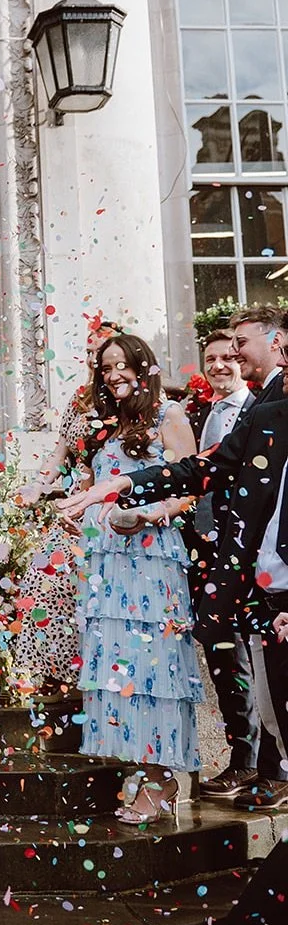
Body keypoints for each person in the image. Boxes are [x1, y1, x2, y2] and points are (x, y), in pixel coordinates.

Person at [59, 369, 288, 812]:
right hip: (271, 603)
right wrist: (122, 485)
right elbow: (202, 469)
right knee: (278, 717)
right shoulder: (270, 418)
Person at [60, 333, 204, 823]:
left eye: (123, 365)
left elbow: (191, 486)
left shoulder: (172, 416)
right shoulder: (110, 426)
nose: (114, 374)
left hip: (152, 558)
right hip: (108, 562)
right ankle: (141, 765)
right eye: (106, 367)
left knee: (154, 663)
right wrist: (76, 508)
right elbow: (98, 489)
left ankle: (164, 776)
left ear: (145, 368)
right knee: (119, 663)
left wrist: (149, 515)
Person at [185, 330, 281, 801]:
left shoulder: (262, 409)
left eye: (229, 356)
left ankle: (268, 767)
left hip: (254, 557)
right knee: (224, 657)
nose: (221, 365)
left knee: (259, 663)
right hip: (209, 554)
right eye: (211, 359)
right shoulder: (200, 413)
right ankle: (242, 759)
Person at [14, 316, 120, 695]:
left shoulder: (129, 401)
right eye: (90, 353)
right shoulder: (80, 398)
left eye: (101, 353)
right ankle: (62, 676)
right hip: (72, 508)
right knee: (43, 580)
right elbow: (60, 452)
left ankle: (102, 677)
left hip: (109, 508)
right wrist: (38, 484)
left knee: (96, 594)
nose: (93, 361)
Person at [229, 303, 286, 405]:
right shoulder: (272, 390)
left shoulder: (283, 392)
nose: (232, 353)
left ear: (274, 341)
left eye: (241, 342)